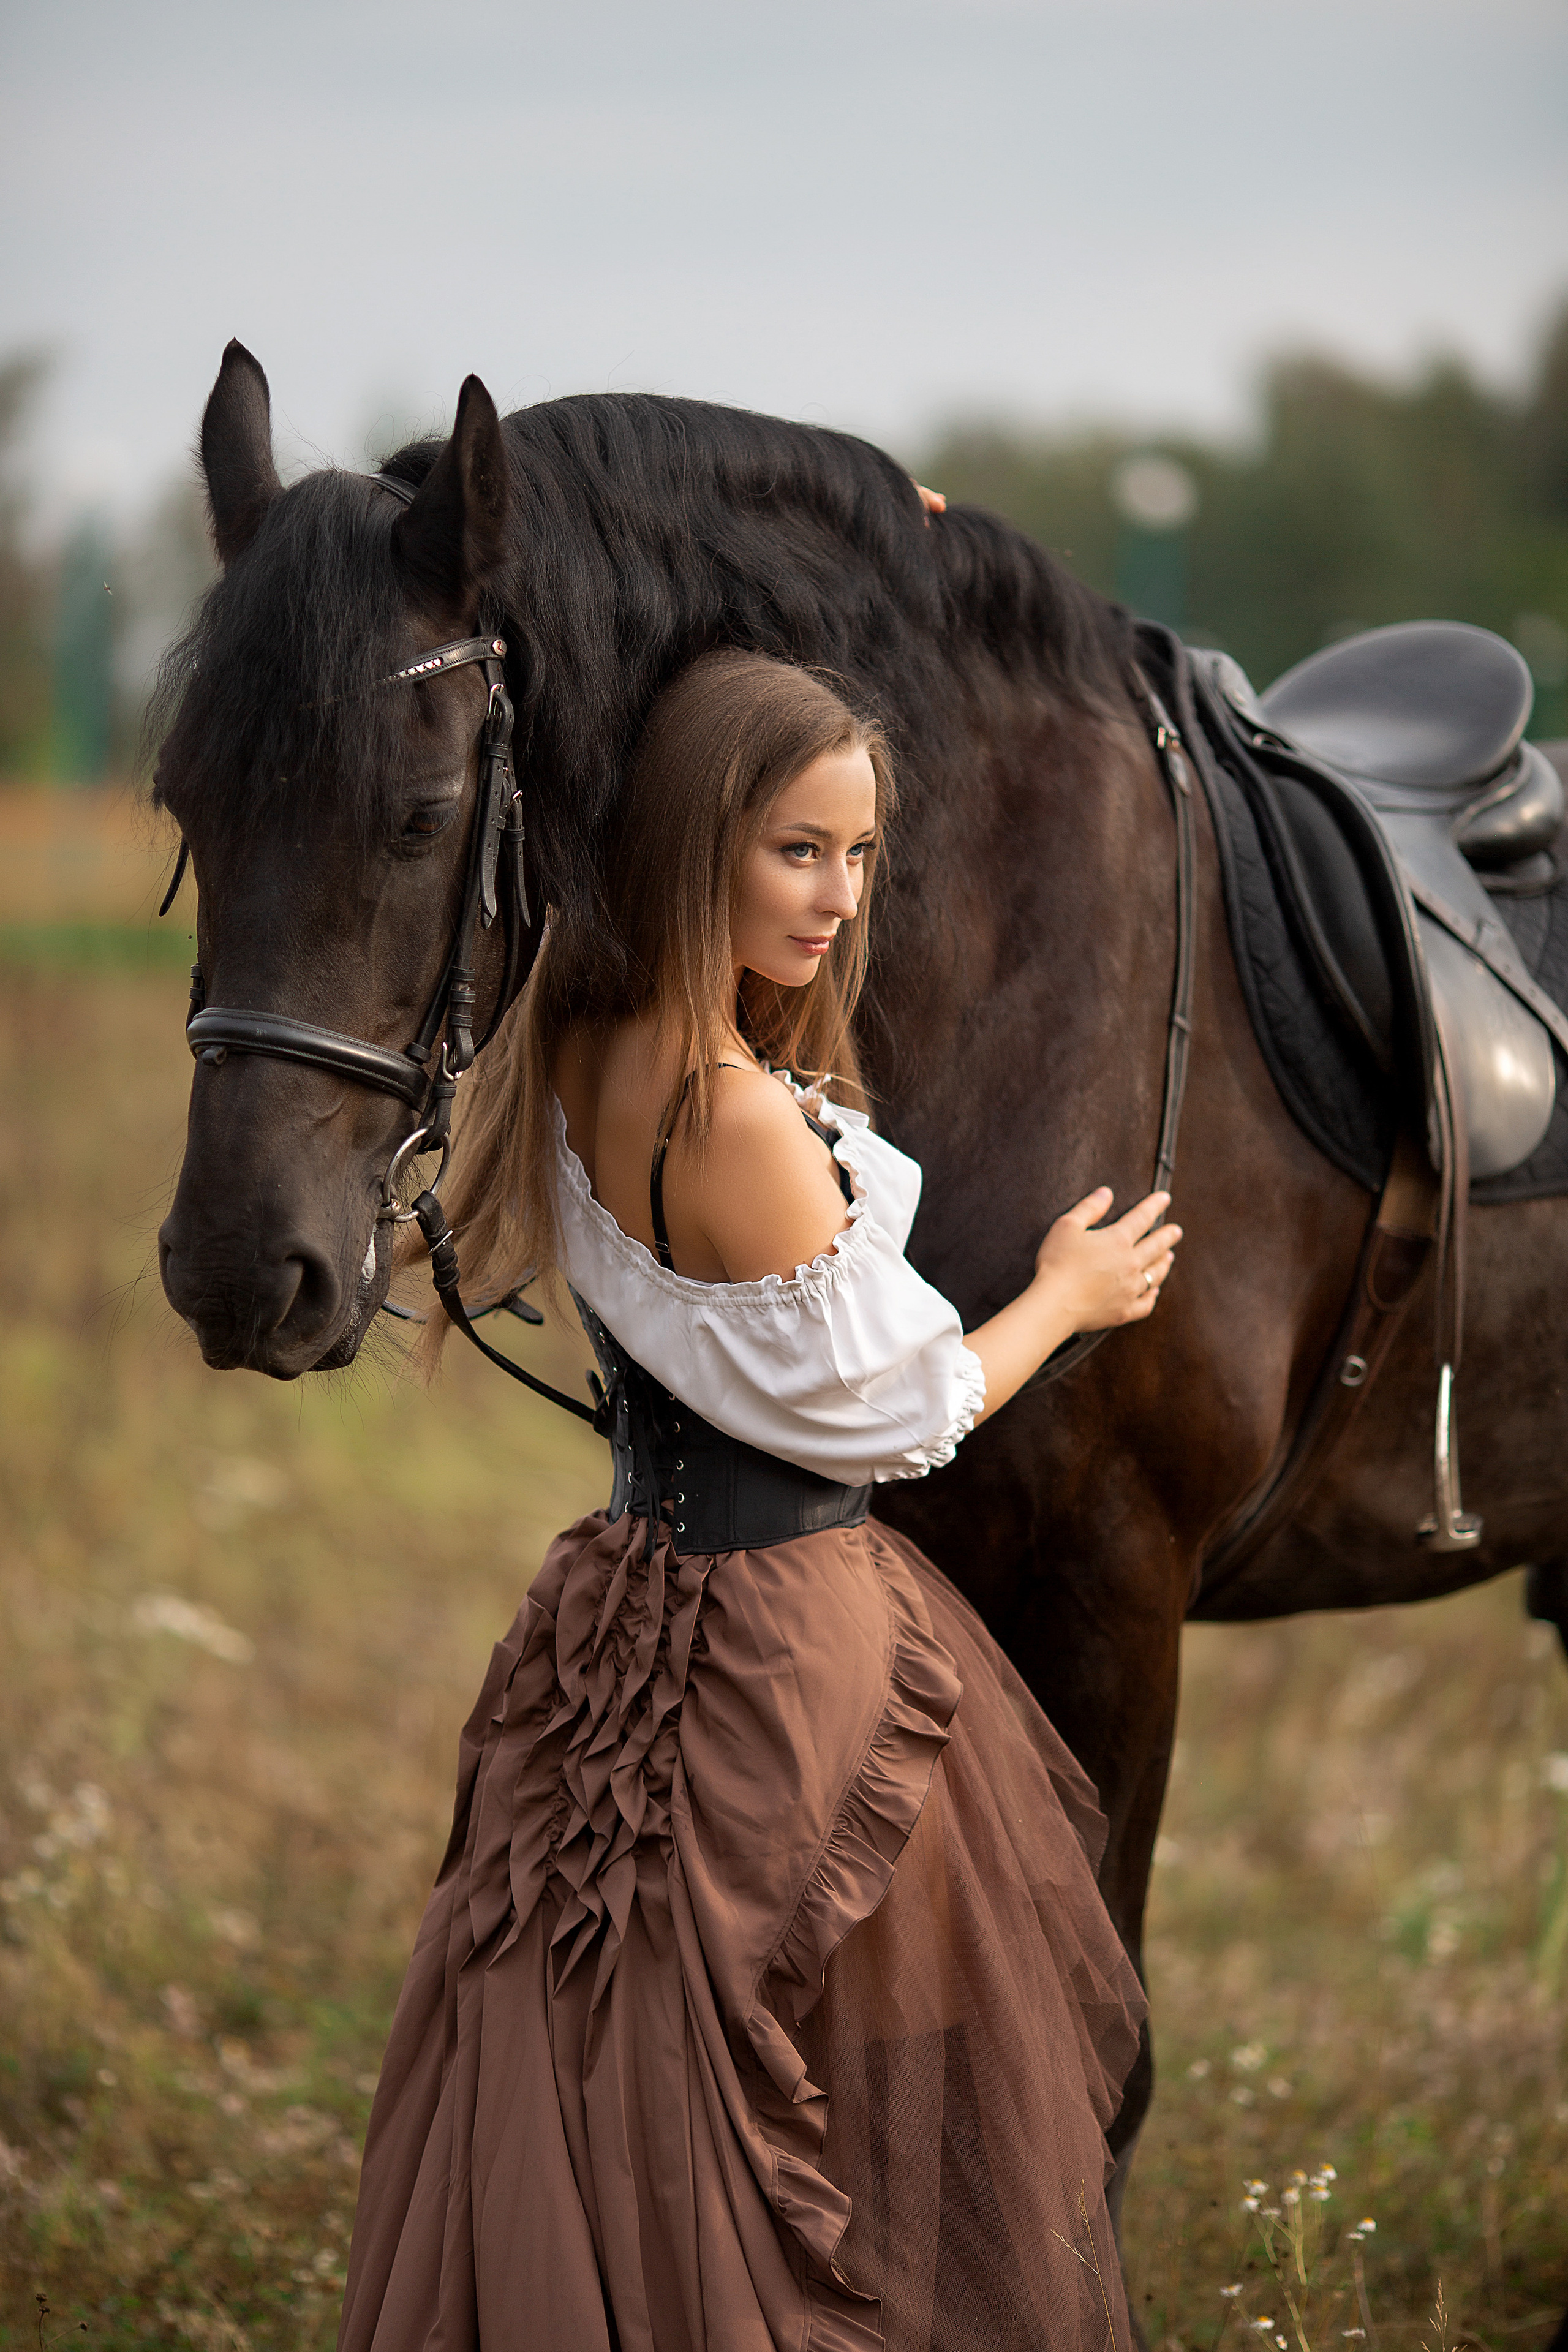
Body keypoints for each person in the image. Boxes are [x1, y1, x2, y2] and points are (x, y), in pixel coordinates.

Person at [338, 649, 1181, 2352]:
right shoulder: (734, 1119)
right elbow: (904, 1411)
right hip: (784, 1633)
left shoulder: (579, 1040)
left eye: (861, 855)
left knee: (628, 2023)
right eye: (800, 849)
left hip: (628, 1594)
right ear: (696, 838)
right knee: (805, 2044)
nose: (839, 896)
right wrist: (1067, 1297)